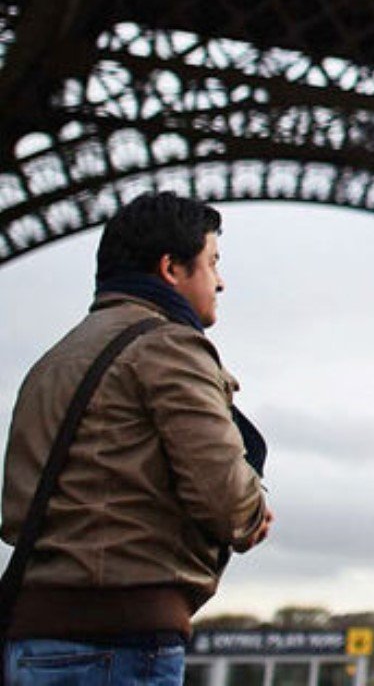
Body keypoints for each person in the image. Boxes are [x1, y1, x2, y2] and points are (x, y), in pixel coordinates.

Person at [2, 192, 272, 685]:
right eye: (212, 263)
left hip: (32, 638)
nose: (221, 280)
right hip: (120, 641)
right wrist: (254, 511)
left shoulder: (52, 362)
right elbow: (224, 495)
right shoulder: (169, 345)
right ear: (171, 268)